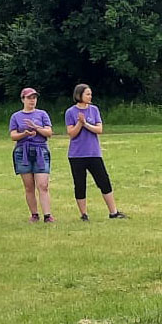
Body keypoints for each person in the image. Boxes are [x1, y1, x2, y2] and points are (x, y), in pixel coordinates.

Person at [65, 84, 127, 221]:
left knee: (104, 181)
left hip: (94, 153)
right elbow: (71, 134)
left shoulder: (94, 110)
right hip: (77, 155)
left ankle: (113, 212)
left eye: (90, 94)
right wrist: (79, 124)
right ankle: (84, 215)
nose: (90, 96)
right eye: (87, 94)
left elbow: (99, 129)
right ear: (79, 95)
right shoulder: (70, 112)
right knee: (80, 184)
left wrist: (85, 123)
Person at [9, 88, 55, 223]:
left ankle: (47, 215)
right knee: (29, 186)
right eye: (29, 98)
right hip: (22, 152)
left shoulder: (42, 114)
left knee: (43, 185)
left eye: (34, 97)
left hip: (40, 151)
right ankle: (34, 214)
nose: (32, 100)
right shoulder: (16, 116)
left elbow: (49, 133)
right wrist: (25, 134)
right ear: (23, 99)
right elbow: (13, 135)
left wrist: (36, 127)